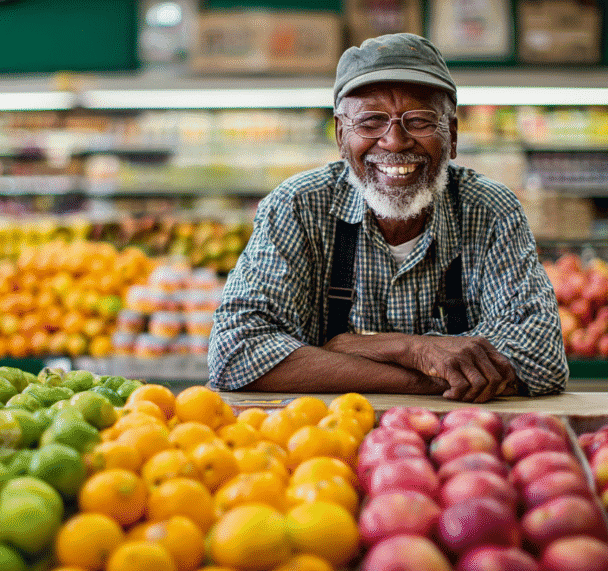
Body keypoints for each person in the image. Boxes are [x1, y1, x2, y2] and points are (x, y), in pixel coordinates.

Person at [207, 33, 567, 402]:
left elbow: (541, 358)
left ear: (453, 135)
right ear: (340, 135)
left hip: (460, 448)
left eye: (421, 120)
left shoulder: (490, 209)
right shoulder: (298, 206)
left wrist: (354, 348)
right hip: (320, 443)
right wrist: (416, 354)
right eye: (370, 121)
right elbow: (235, 350)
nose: (395, 141)